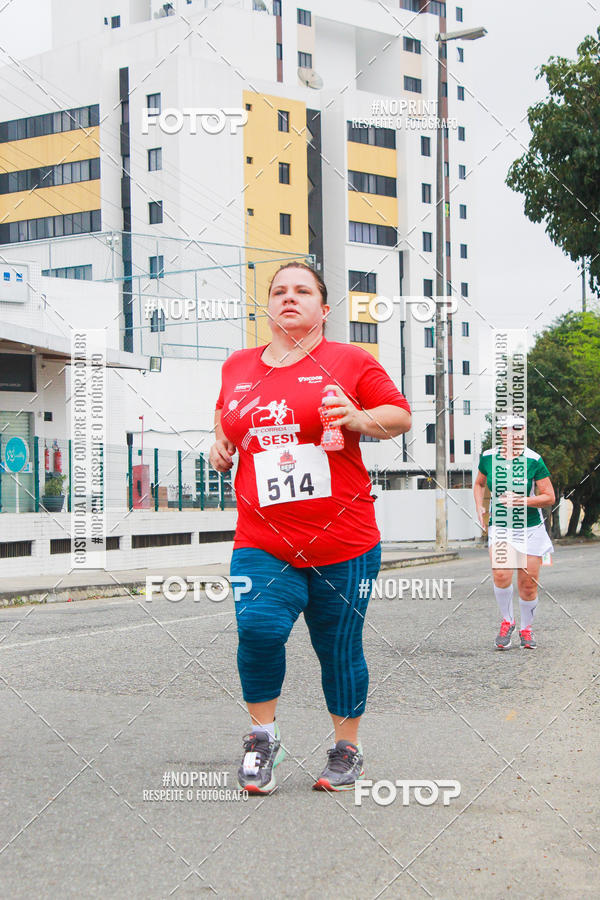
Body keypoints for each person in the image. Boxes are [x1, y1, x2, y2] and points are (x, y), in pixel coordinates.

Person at [209, 262, 411, 794]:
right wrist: (219, 442)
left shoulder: (350, 360)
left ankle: (347, 748)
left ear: (323, 308)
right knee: (258, 630)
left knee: (338, 646)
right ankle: (262, 738)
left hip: (344, 540)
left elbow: (400, 415)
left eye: (303, 291)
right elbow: (226, 411)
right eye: (279, 291)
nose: (289, 298)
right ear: (268, 306)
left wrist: (357, 418)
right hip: (262, 538)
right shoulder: (238, 365)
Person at [474, 416, 556, 651]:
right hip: (501, 526)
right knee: (501, 574)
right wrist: (480, 506)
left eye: (518, 430)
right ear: (501, 432)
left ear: (523, 432)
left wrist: (523, 501)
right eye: (508, 430)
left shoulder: (533, 460)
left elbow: (549, 497)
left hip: (530, 528)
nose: (514, 434)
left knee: (528, 584)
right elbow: (479, 484)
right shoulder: (488, 457)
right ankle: (507, 621)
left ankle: (526, 629)